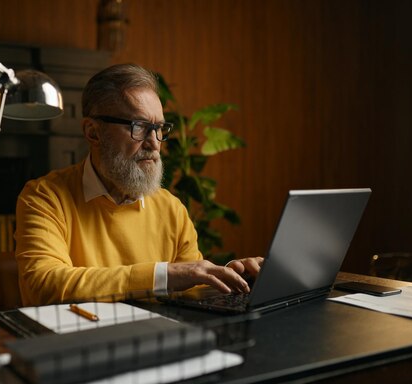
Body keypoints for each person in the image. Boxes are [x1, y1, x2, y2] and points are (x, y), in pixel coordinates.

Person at [15, 63, 263, 306]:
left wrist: (231, 277)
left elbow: (190, 289)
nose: (154, 143)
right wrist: (162, 276)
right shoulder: (45, 197)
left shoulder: (171, 208)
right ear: (93, 132)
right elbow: (43, 285)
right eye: (140, 127)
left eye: (159, 129)